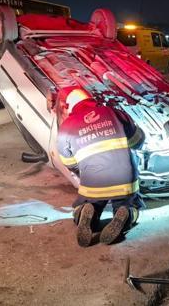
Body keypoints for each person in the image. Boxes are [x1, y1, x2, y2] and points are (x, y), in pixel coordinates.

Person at [56, 88, 145, 247]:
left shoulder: (66, 126)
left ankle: (84, 211)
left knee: (89, 201)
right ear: (91, 99)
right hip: (124, 180)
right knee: (128, 203)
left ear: (71, 106)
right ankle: (125, 213)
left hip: (93, 183)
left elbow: (68, 163)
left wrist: (86, 169)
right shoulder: (114, 112)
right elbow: (137, 142)